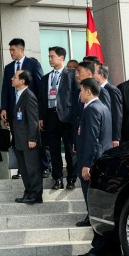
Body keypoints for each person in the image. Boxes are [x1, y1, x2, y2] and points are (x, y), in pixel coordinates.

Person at [0, 38, 46, 176]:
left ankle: (43, 167)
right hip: (14, 111)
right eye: (10, 50)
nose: (11, 52)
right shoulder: (8, 68)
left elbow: (40, 88)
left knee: (33, 140)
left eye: (13, 50)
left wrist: (40, 114)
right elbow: (5, 89)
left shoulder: (32, 64)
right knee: (17, 139)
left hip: (29, 110)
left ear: (21, 49)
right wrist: (4, 108)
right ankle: (21, 169)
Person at [73, 78, 111, 228]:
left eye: (81, 90)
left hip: (92, 160)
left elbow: (92, 139)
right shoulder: (103, 107)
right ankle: (92, 216)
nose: (80, 94)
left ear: (88, 91)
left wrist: (86, 164)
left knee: (90, 192)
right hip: (100, 158)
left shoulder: (91, 109)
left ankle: (93, 218)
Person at [39, 46, 78, 190]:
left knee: (69, 149)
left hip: (66, 117)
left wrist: (75, 117)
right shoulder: (45, 78)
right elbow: (42, 99)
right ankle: (57, 179)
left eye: (52, 56)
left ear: (61, 57)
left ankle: (72, 179)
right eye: (49, 56)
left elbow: (76, 96)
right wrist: (41, 117)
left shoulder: (72, 74)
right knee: (53, 149)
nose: (50, 59)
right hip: (50, 116)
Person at [9, 70, 43, 204]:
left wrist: (32, 139)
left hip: (28, 140)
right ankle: (28, 192)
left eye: (14, 77)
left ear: (22, 81)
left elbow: (33, 120)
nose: (12, 79)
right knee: (23, 168)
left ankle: (36, 194)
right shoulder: (17, 94)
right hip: (19, 139)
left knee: (32, 168)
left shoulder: (29, 96)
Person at [96, 64, 124, 148]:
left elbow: (117, 114)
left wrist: (115, 137)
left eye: (93, 73)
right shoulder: (97, 89)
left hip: (110, 136)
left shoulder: (112, 90)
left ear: (101, 75)